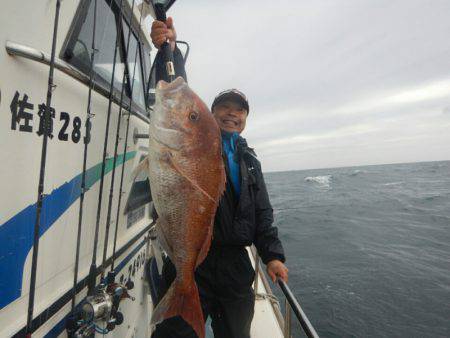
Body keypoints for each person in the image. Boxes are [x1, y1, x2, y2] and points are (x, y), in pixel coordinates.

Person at [150, 17, 289, 338]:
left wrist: (273, 255)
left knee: (236, 334)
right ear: (211, 116)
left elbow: (262, 214)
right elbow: (176, 96)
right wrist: (169, 49)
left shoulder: (250, 161)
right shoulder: (196, 143)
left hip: (236, 268)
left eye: (240, 111)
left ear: (245, 119)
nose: (232, 113)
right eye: (224, 107)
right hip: (192, 261)